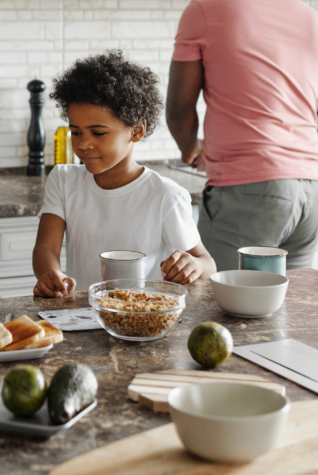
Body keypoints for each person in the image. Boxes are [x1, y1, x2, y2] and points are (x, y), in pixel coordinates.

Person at [166, 0, 318, 272]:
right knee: (290, 309)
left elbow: (179, 107)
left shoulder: (204, 11)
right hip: (313, 192)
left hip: (249, 190)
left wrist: (191, 149)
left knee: (218, 305)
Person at [32, 51, 216, 297]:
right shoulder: (63, 180)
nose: (83, 144)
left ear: (137, 131)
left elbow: (206, 262)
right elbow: (46, 247)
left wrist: (194, 266)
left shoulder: (165, 194)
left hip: (141, 317)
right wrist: (50, 274)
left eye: (98, 133)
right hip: (83, 314)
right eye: (76, 132)